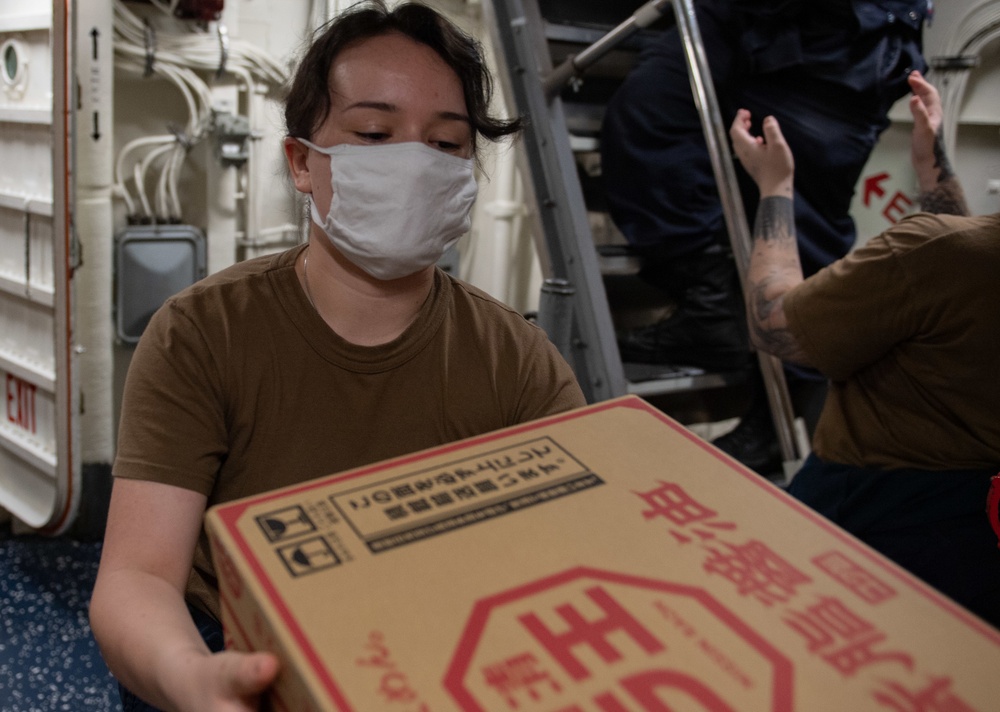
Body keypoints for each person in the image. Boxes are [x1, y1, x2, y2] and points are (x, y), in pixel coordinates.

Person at [89, 3, 586, 709]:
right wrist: (194, 679)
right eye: (376, 134)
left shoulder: (518, 361)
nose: (413, 164)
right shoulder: (202, 333)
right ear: (302, 162)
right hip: (226, 639)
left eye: (446, 144)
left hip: (427, 642)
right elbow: (136, 581)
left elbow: (578, 545)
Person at [600, 0, 931, 473]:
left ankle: (776, 419)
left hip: (841, 40)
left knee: (803, 217)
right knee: (651, 112)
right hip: (760, 22)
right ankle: (711, 307)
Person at [729, 69, 1000, 628]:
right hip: (978, 533)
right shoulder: (961, 257)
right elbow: (965, 262)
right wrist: (932, 164)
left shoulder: (935, 253)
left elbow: (774, 323)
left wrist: (774, 187)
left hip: (871, 512)